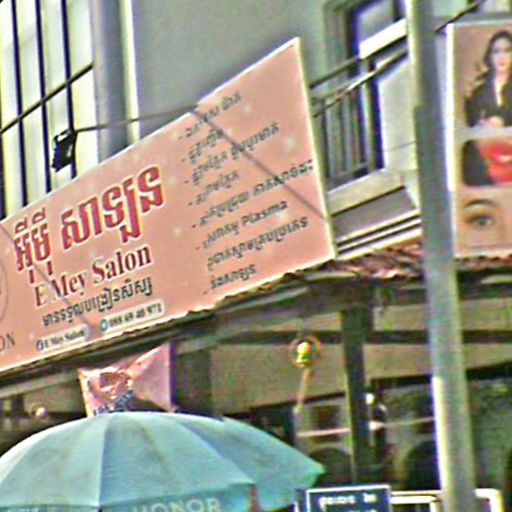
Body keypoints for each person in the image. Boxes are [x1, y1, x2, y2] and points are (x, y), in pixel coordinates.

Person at [463, 30, 512, 186]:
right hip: (488, 156)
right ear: (490, 56)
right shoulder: (479, 91)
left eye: (507, 50)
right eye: (496, 51)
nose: (502, 57)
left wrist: (503, 123)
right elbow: (471, 124)